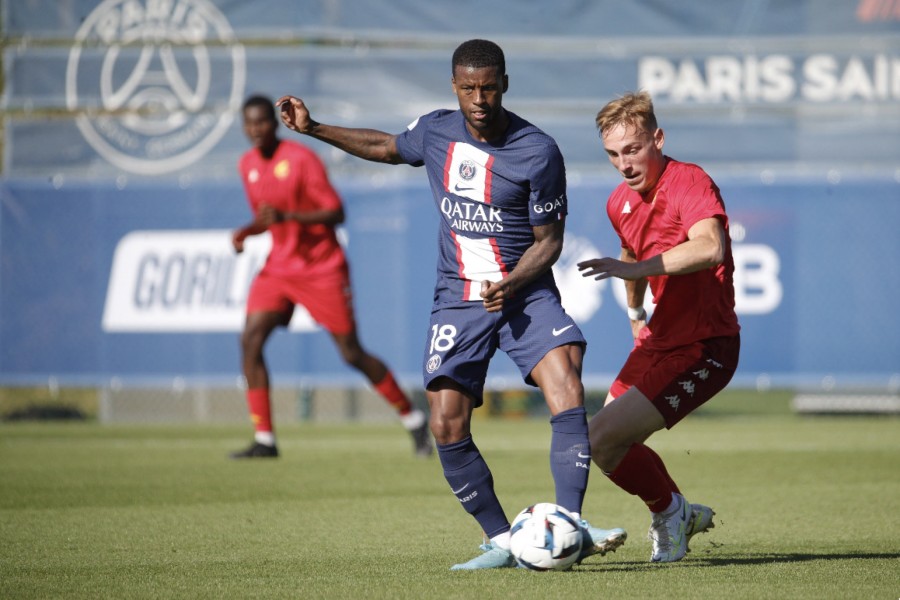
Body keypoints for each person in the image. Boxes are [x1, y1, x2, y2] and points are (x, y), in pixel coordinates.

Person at [277, 39, 627, 570]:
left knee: (568, 383)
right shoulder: (437, 131)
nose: (479, 99)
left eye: (488, 87)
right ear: (454, 87)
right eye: (468, 89)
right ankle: (502, 541)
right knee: (444, 423)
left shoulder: (538, 151)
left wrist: (510, 283)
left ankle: (569, 525)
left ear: (505, 83)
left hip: (522, 291)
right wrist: (314, 127)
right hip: (458, 299)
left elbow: (549, 242)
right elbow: (386, 146)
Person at [577, 91, 741, 563]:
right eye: (613, 154)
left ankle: (670, 515)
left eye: (633, 149)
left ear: (658, 139)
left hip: (706, 345)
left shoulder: (689, 181)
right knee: (603, 446)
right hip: (659, 340)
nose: (624, 164)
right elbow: (631, 254)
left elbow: (710, 247)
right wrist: (635, 314)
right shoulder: (618, 202)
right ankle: (677, 511)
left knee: (601, 438)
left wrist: (638, 271)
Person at [230, 94, 433, 460]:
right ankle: (265, 439)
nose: (256, 129)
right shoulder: (247, 165)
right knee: (251, 340)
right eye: (249, 123)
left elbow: (335, 212)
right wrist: (247, 231)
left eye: (262, 121)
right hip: (280, 267)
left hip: (321, 268)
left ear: (274, 123)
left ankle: (414, 418)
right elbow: (269, 217)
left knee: (351, 353)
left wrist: (289, 217)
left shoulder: (301, 159)